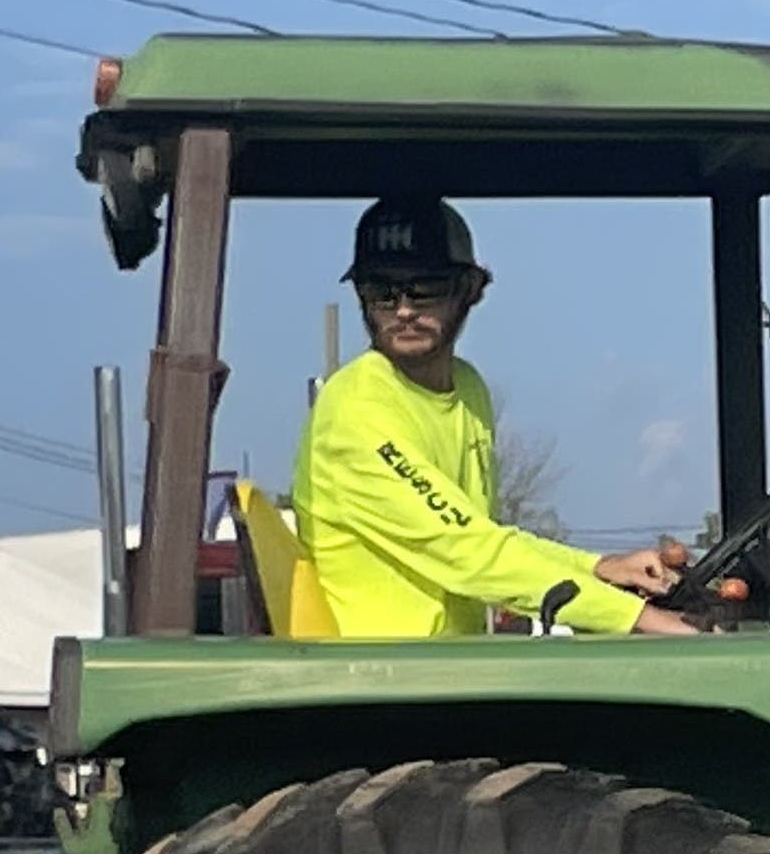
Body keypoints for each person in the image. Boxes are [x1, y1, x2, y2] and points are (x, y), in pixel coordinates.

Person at [288, 196, 695, 639]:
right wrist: (638, 617)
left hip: (446, 663)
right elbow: (466, 551)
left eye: (425, 289)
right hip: (375, 670)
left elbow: (481, 535)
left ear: (471, 289)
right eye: (381, 292)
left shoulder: (466, 387)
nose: (403, 310)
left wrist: (599, 567)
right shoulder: (355, 410)